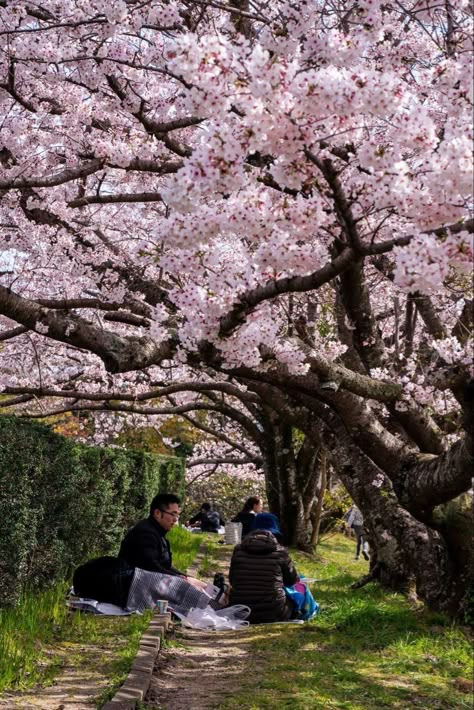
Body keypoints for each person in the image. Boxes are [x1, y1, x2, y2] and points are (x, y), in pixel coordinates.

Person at [118, 493, 206, 590]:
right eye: (173, 514)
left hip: (148, 585)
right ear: (157, 513)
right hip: (134, 590)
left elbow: (164, 567)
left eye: (177, 515)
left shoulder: (158, 533)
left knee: (203, 587)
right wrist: (183, 581)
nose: (175, 519)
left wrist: (187, 577)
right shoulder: (145, 534)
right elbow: (152, 568)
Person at [228, 512, 298, 623]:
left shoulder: (238, 550)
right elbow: (292, 581)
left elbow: (232, 580)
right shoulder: (281, 552)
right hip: (273, 612)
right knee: (298, 593)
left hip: (240, 610)